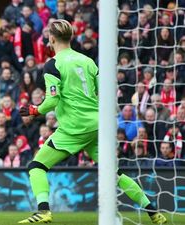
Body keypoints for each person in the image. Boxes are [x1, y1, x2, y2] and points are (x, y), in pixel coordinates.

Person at [18, 20, 166, 224]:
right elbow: (104, 90)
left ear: (51, 38)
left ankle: (43, 211)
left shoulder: (53, 64)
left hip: (74, 127)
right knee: (115, 173)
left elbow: (52, 100)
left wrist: (34, 110)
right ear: (70, 37)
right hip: (97, 125)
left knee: (37, 166)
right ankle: (153, 212)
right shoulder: (87, 61)